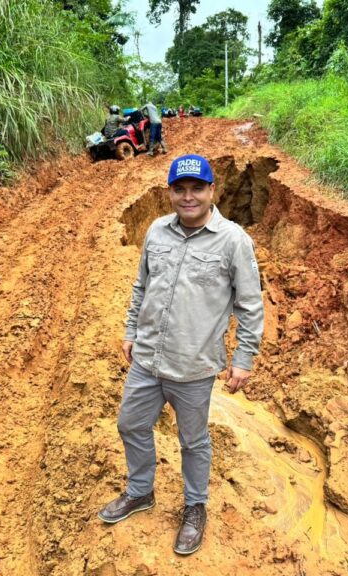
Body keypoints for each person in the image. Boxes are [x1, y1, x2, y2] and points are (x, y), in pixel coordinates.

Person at [97, 154, 264, 555]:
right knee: (130, 424)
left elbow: (250, 305)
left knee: (193, 441)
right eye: (180, 189)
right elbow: (142, 286)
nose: (188, 197)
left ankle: (194, 507)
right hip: (147, 358)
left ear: (212, 191)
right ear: (170, 192)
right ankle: (141, 491)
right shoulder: (157, 230)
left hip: (193, 366)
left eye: (197, 189)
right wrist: (131, 331)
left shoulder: (233, 241)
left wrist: (243, 359)